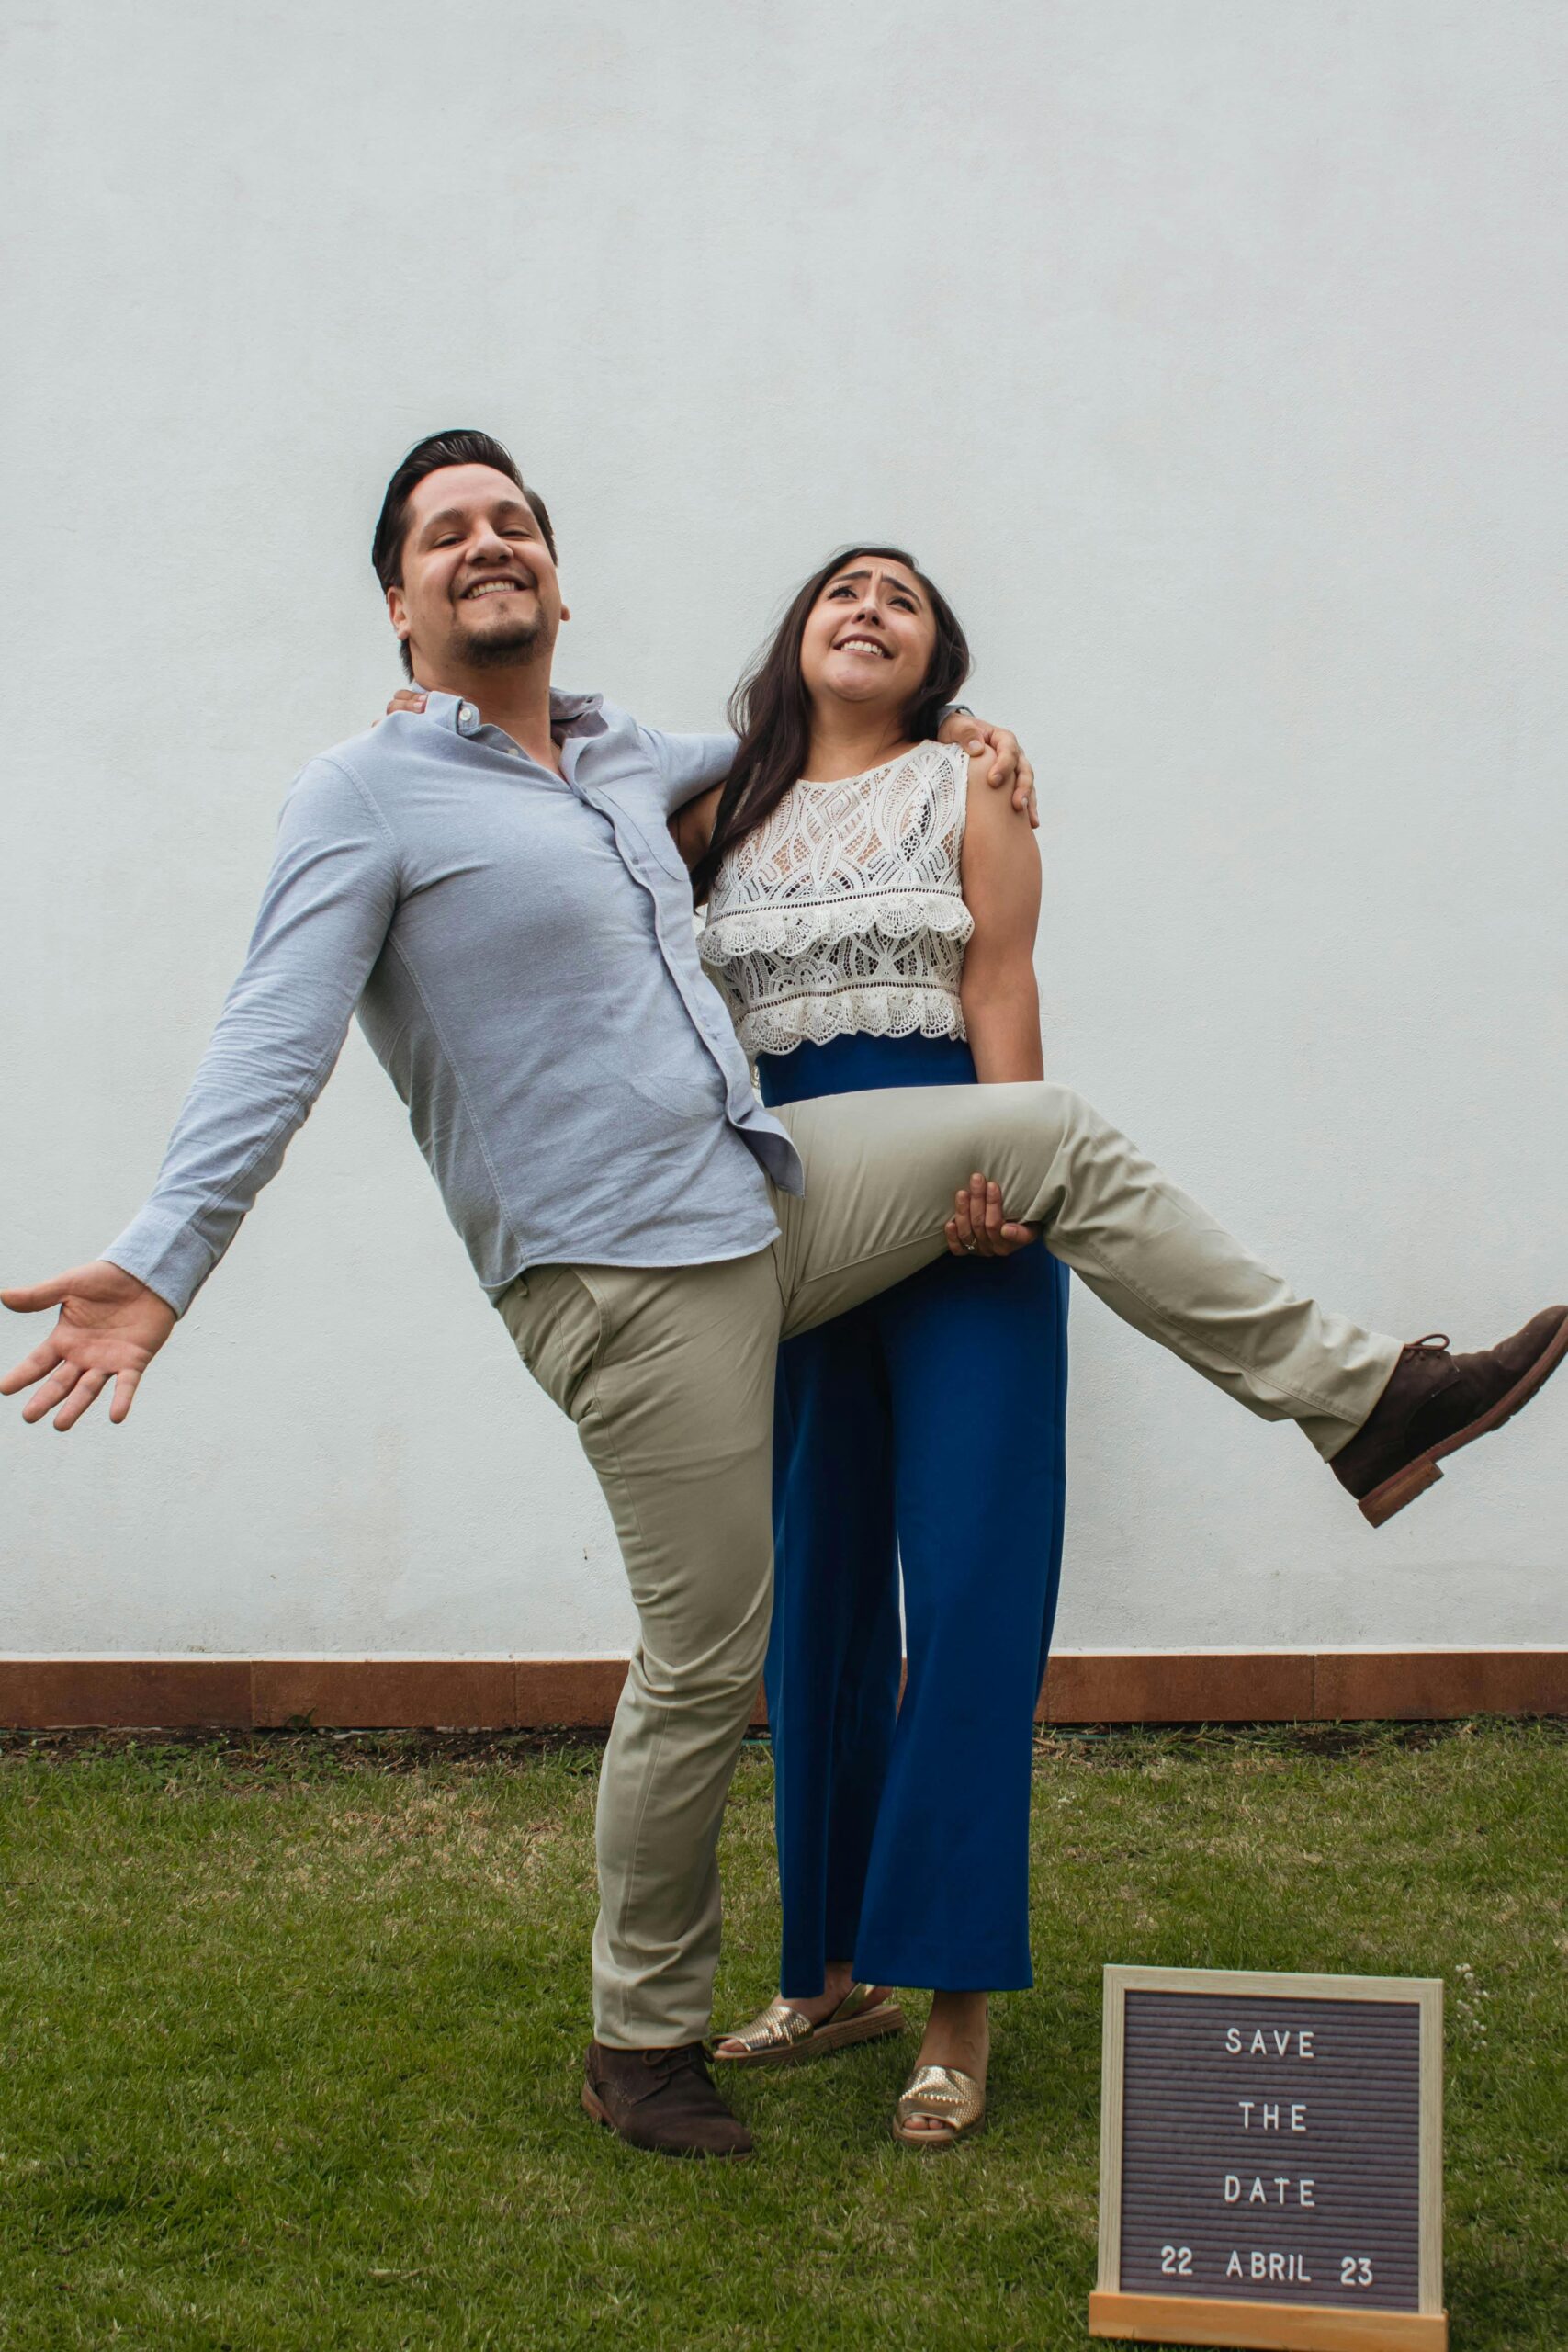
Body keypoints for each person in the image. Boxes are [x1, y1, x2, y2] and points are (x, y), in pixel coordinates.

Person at [5, 431, 1562, 2167]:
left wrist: (965, 732)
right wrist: (159, 1266)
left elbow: (826, 756)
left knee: (1050, 1134)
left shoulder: (631, 760)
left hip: (772, 1202)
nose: (488, 544)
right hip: (623, 1276)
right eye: (447, 535)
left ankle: (1366, 1401)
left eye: (514, 520)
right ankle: (641, 2034)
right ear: (399, 604)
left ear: (559, 574)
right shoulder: (364, 795)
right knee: (708, 1662)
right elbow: (267, 1039)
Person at [662, 548, 1067, 2147]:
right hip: (780, 1235)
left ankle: (952, 2007)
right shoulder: (713, 810)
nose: (869, 607)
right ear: (797, 636)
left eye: (902, 597)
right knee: (812, 1595)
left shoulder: (971, 788)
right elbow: (555, 791)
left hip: (966, 1218)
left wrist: (1014, 1176)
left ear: (935, 659)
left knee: (965, 1594)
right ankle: (831, 1973)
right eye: (844, 589)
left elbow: (1001, 983)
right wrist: (425, 707)